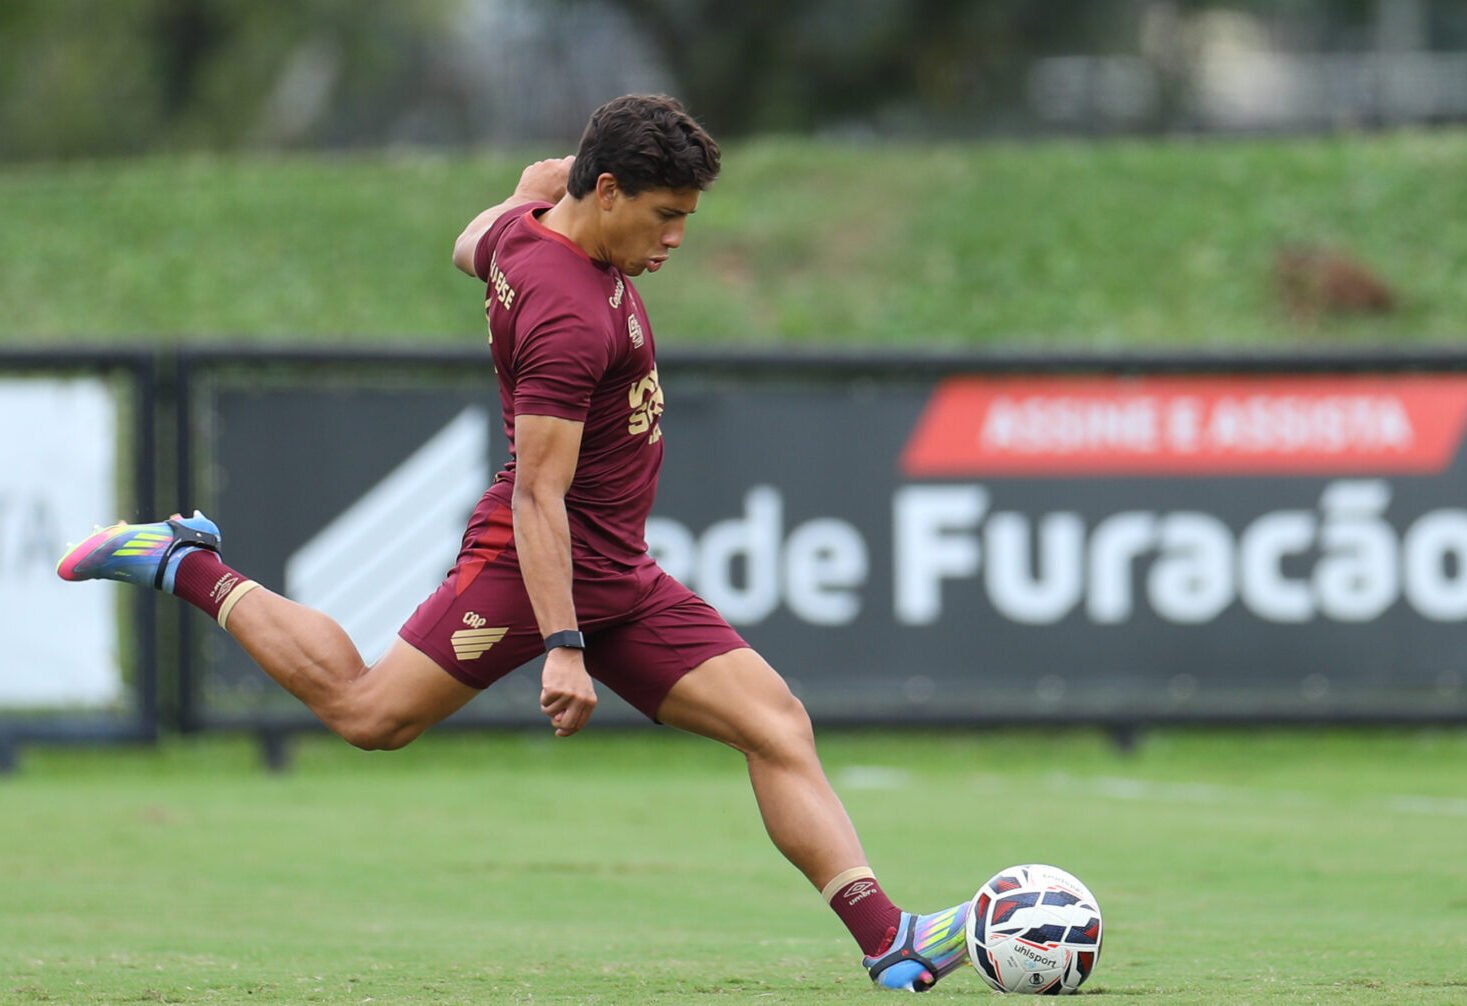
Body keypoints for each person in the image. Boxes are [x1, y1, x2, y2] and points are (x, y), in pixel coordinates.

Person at [56, 94, 968, 992]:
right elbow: (539, 494)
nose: (677, 238)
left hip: (617, 571)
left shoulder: (525, 226)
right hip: (535, 566)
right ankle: (185, 562)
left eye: (686, 217)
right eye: (665, 215)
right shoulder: (567, 316)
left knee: (776, 726)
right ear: (606, 191)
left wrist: (521, 199)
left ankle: (888, 942)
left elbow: (469, 244)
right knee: (371, 716)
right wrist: (564, 648)